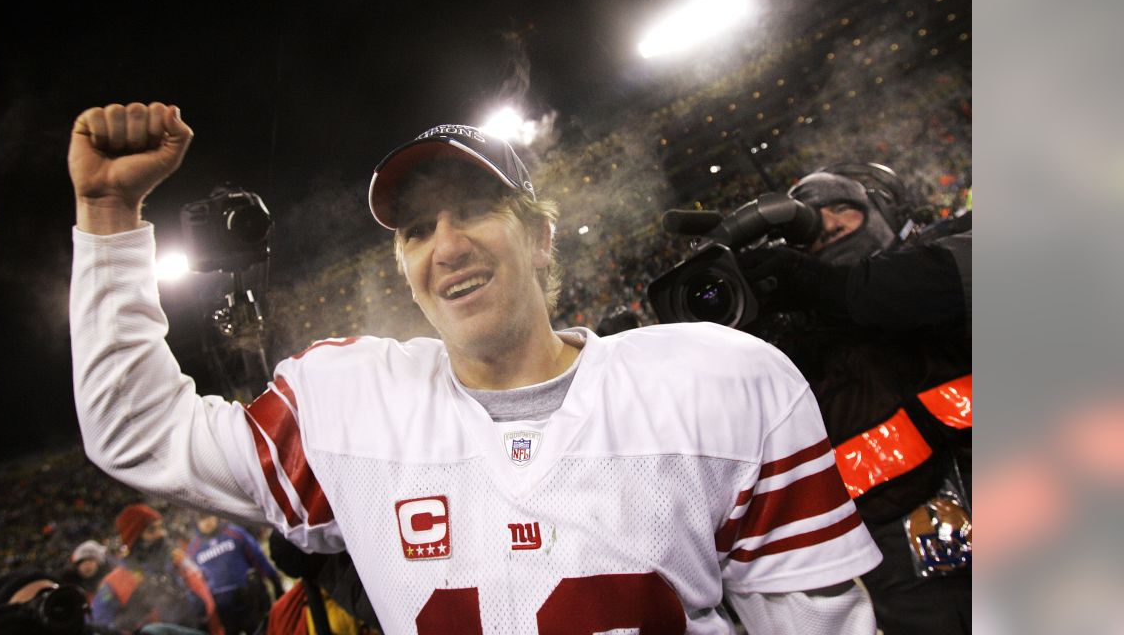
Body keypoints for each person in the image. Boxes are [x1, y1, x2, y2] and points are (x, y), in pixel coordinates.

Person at [69, 102, 883, 633]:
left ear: (539, 236)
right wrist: (108, 221)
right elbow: (136, 433)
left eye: (477, 209)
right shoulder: (349, 406)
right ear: (403, 266)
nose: (448, 246)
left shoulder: (719, 382)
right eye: (418, 230)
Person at [735, 166, 972, 634]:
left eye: (843, 218)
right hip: (903, 564)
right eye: (816, 234)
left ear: (885, 211)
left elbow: (915, 287)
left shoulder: (953, 250)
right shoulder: (798, 337)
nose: (830, 230)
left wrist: (830, 288)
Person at [91, 504, 225, 635]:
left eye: (161, 527)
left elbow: (207, 587)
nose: (161, 534)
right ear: (134, 539)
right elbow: (99, 625)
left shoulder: (178, 560)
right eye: (151, 530)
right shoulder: (117, 581)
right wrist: (129, 621)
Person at [185, 514, 284, 634]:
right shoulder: (193, 550)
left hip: (249, 599)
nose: (207, 522)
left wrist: (274, 579)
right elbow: (194, 584)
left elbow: (258, 557)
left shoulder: (234, 533)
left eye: (208, 516)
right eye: (201, 519)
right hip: (221, 608)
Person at [61, 539, 112, 607]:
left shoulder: (108, 579)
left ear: (98, 563)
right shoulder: (69, 585)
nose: (87, 565)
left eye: (91, 560)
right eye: (82, 561)